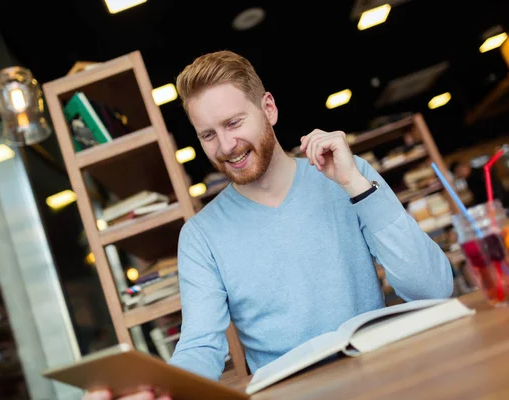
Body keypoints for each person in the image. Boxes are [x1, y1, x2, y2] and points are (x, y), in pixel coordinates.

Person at [83, 50, 453, 400]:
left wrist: (354, 185)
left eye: (233, 123)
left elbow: (433, 288)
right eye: (208, 135)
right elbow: (200, 346)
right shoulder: (200, 236)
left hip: (383, 383)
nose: (226, 146)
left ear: (269, 109)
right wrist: (161, 390)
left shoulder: (349, 177)